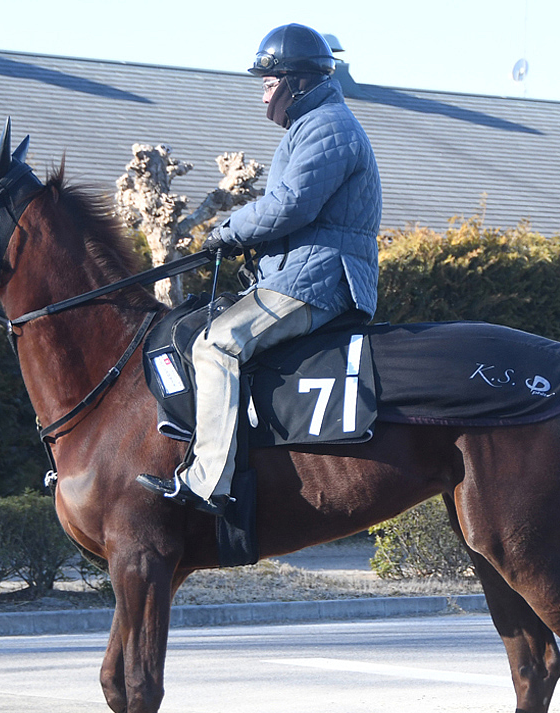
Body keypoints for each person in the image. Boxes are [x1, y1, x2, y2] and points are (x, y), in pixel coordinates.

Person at [139, 23, 382, 514]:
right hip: (302, 271)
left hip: (320, 278)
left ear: (296, 81)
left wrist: (226, 231)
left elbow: (291, 205)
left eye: (269, 83)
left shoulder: (328, 126)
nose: (264, 93)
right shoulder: (313, 125)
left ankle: (208, 482)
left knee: (216, 345)